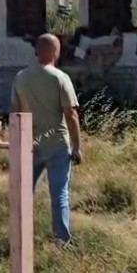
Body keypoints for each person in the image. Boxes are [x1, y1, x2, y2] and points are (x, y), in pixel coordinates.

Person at [10, 33, 84, 246]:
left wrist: (17, 145)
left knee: (24, 193)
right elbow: (71, 114)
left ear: (37, 51)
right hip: (57, 144)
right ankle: (62, 241)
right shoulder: (60, 78)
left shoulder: (21, 77)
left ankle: (20, 238)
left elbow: (15, 113)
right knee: (59, 195)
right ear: (54, 52)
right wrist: (77, 147)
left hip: (30, 144)